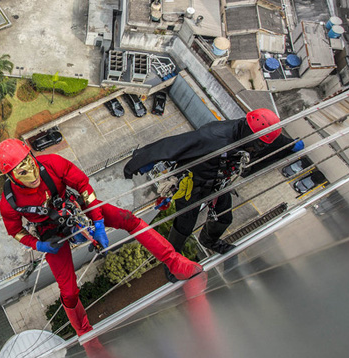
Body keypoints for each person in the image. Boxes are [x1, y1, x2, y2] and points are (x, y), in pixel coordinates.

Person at [0, 139, 203, 337]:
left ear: (33, 156)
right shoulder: (10, 203)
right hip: (50, 231)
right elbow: (15, 231)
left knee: (127, 219)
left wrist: (98, 222)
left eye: (30, 162)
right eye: (22, 171)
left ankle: (176, 262)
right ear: (11, 176)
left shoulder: (51, 164)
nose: (32, 173)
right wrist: (38, 244)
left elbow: (84, 188)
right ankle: (83, 330)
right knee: (68, 291)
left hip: (74, 206)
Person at [123, 109, 303, 257]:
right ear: (250, 136)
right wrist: (142, 159)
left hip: (218, 181)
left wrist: (290, 146)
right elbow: (176, 144)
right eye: (258, 145)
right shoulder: (213, 137)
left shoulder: (257, 134)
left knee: (224, 218)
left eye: (262, 146)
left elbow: (274, 141)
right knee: (185, 224)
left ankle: (208, 241)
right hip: (194, 182)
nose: (258, 150)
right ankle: (172, 258)